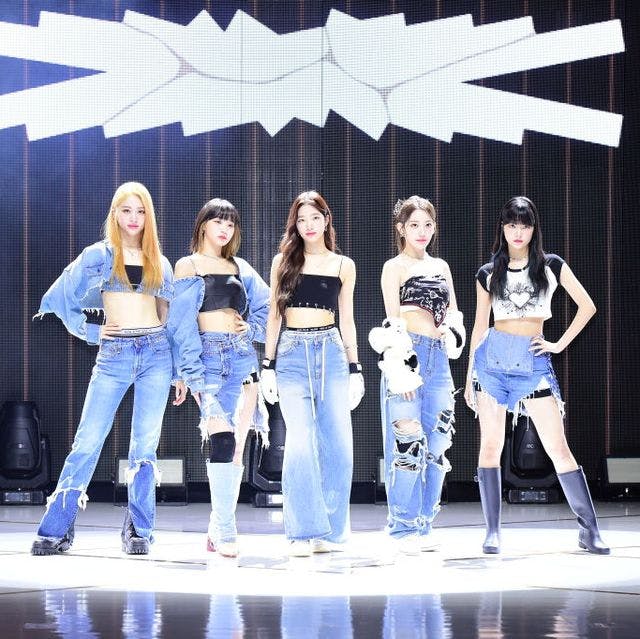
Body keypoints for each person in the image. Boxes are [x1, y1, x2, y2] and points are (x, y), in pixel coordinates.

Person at [31, 182, 174, 555]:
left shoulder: (160, 261)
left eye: (140, 211)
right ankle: (56, 528)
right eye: (126, 210)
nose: (134, 218)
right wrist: (91, 331)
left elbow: (169, 319)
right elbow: (62, 295)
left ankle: (139, 530)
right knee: (88, 439)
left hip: (157, 354)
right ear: (115, 214)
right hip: (115, 353)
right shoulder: (98, 255)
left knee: (145, 446)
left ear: (149, 216)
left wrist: (179, 372)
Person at [464, 196, 609, 555]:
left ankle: (589, 530)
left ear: (533, 229)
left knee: (558, 447)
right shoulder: (488, 273)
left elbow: (587, 306)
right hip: (492, 363)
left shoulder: (551, 266)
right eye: (511, 224)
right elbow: (479, 327)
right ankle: (492, 532)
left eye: (524, 225)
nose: (518, 232)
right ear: (502, 228)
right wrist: (468, 379)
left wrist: (558, 344)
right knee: (490, 445)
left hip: (532, 364)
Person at [260, 191, 365, 557]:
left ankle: (331, 533)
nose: (308, 225)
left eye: (315, 218)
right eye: (301, 219)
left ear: (326, 220)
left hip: (331, 353)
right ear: (295, 223)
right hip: (291, 353)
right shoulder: (282, 262)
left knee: (338, 445)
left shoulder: (343, 265)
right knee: (301, 443)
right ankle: (302, 532)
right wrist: (268, 365)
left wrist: (355, 368)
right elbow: (274, 316)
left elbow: (347, 319)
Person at [168, 198, 269, 558]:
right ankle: (225, 529)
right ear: (203, 225)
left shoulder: (240, 267)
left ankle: (219, 525)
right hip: (207, 361)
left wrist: (252, 328)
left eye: (231, 223)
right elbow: (179, 325)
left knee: (237, 447)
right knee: (222, 441)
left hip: (242, 359)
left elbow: (269, 306)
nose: (225, 229)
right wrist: (183, 373)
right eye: (218, 221)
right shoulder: (188, 265)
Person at [369, 196, 463, 555]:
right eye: (414, 225)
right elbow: (393, 321)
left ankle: (424, 524)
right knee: (407, 443)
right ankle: (402, 527)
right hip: (407, 356)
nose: (422, 232)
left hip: (439, 359)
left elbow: (454, 314)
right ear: (401, 229)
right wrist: (400, 370)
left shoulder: (441, 266)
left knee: (437, 444)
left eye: (427, 225)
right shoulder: (393, 267)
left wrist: (454, 335)